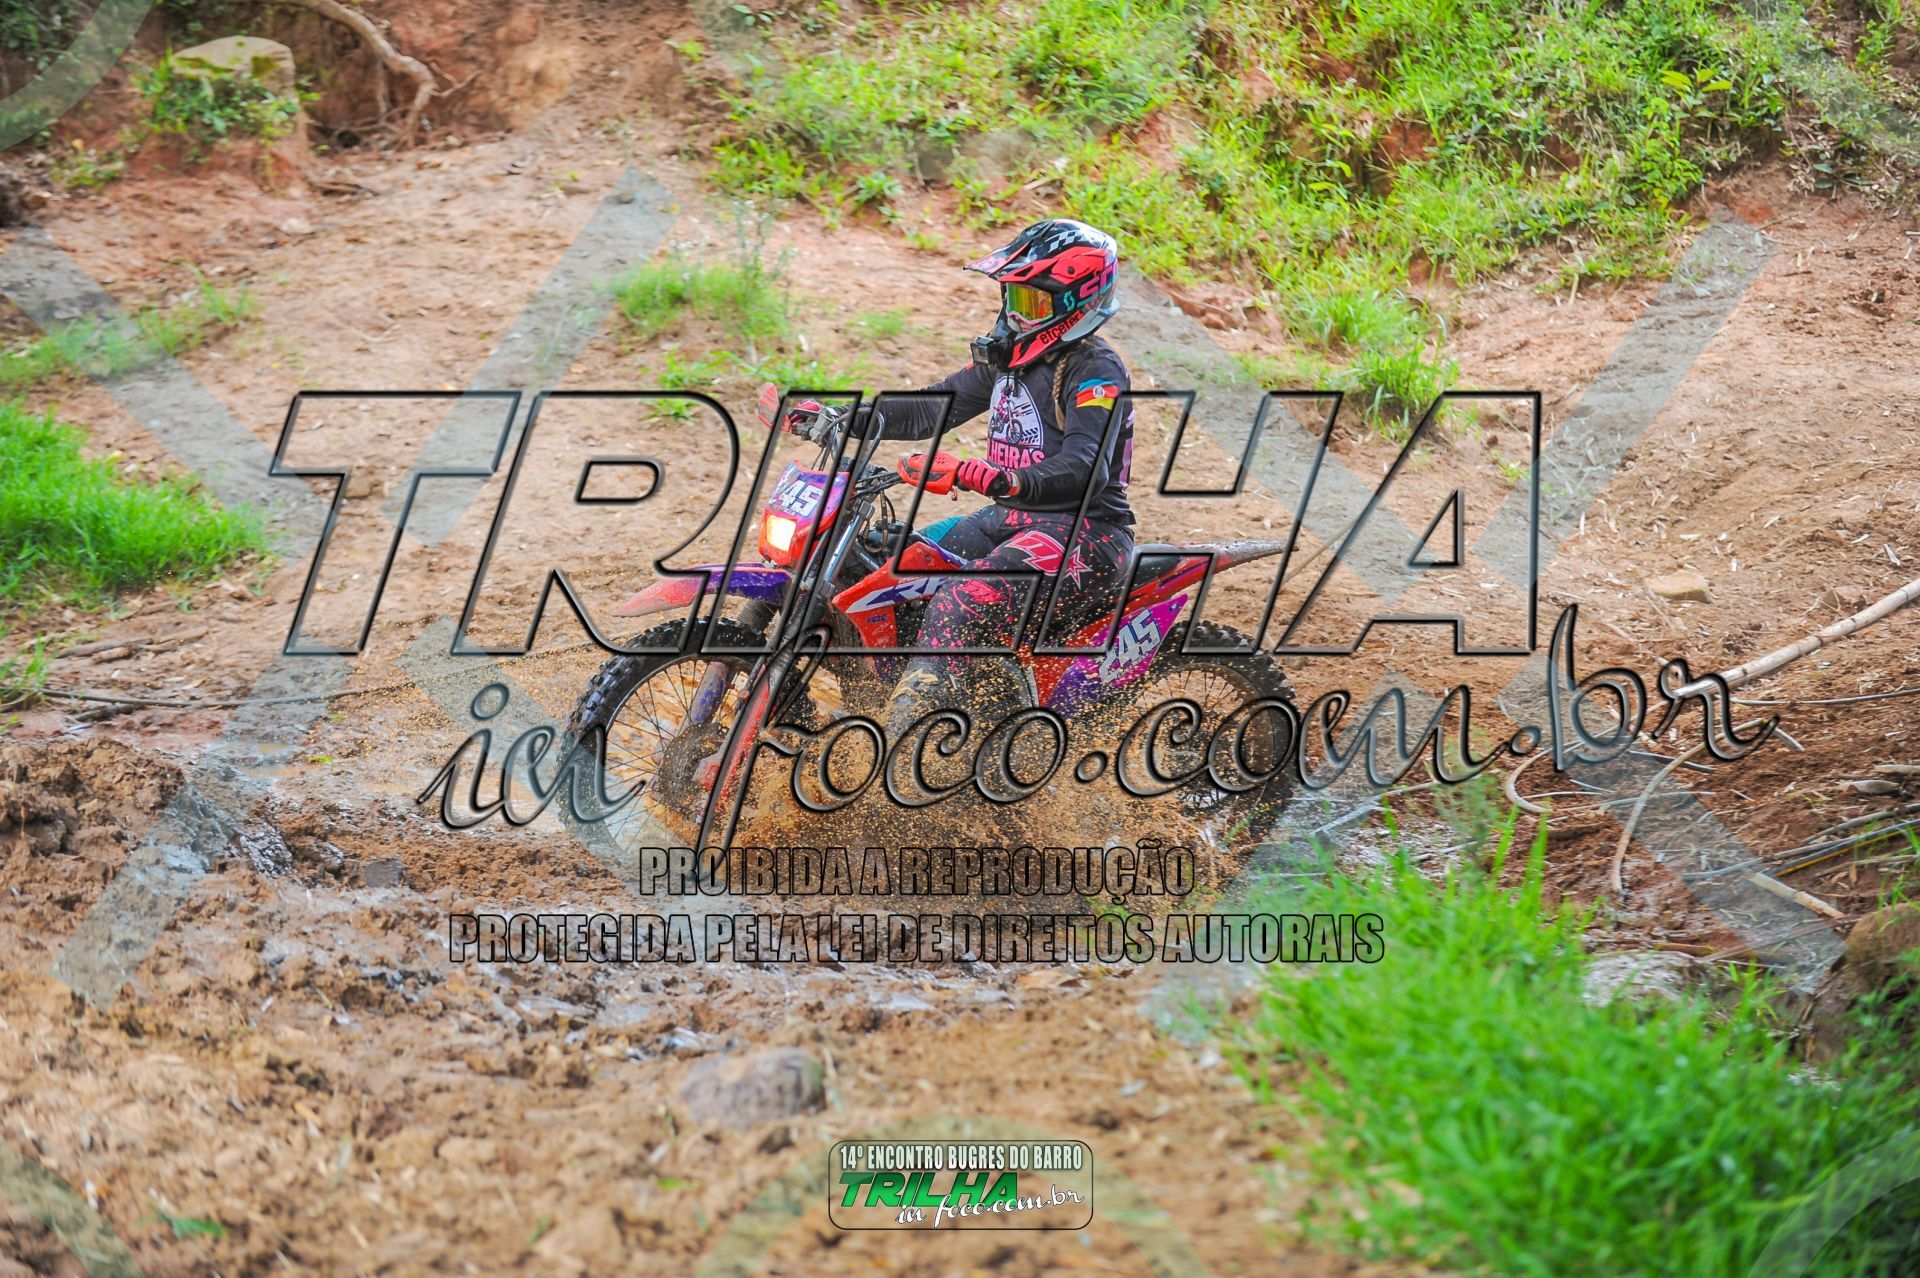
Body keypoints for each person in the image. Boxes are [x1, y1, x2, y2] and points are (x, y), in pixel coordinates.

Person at [791, 218, 1138, 733]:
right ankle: (882, 702)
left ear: (1078, 303)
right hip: (1010, 519)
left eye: (1033, 302)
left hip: (1087, 533)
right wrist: (841, 419)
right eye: (1012, 297)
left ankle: (908, 740)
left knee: (960, 599)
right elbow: (928, 408)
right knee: (888, 570)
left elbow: (1084, 468)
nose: (1016, 314)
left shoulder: (1095, 369)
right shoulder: (1008, 360)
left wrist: (984, 475)